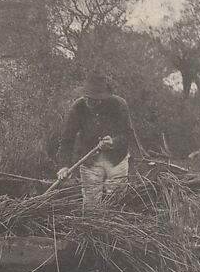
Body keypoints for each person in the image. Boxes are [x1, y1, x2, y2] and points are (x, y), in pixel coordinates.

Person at [55, 71, 138, 204]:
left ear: (103, 97)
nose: (89, 101)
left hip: (116, 160)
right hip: (90, 162)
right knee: (91, 203)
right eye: (87, 97)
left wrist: (113, 142)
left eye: (94, 98)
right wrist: (64, 165)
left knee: (117, 200)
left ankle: (116, 223)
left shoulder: (119, 105)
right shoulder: (78, 107)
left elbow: (128, 134)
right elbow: (67, 139)